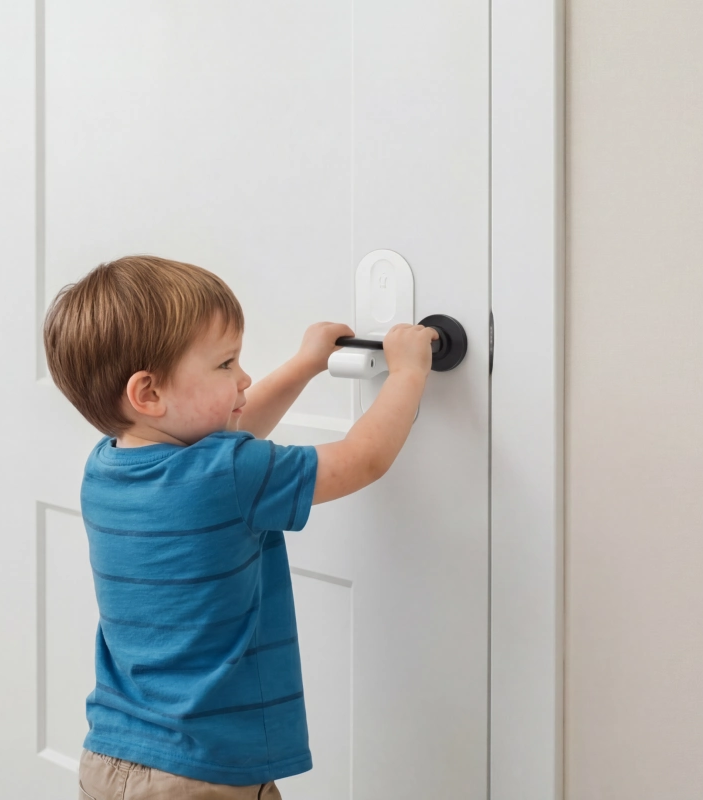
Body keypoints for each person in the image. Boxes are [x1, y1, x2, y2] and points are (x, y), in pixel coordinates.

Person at [43, 255, 437, 799]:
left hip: (110, 755)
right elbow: (362, 459)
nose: (244, 378)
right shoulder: (227, 474)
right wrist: (410, 372)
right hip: (202, 773)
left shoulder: (106, 467)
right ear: (148, 394)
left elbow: (229, 433)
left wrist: (305, 364)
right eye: (226, 364)